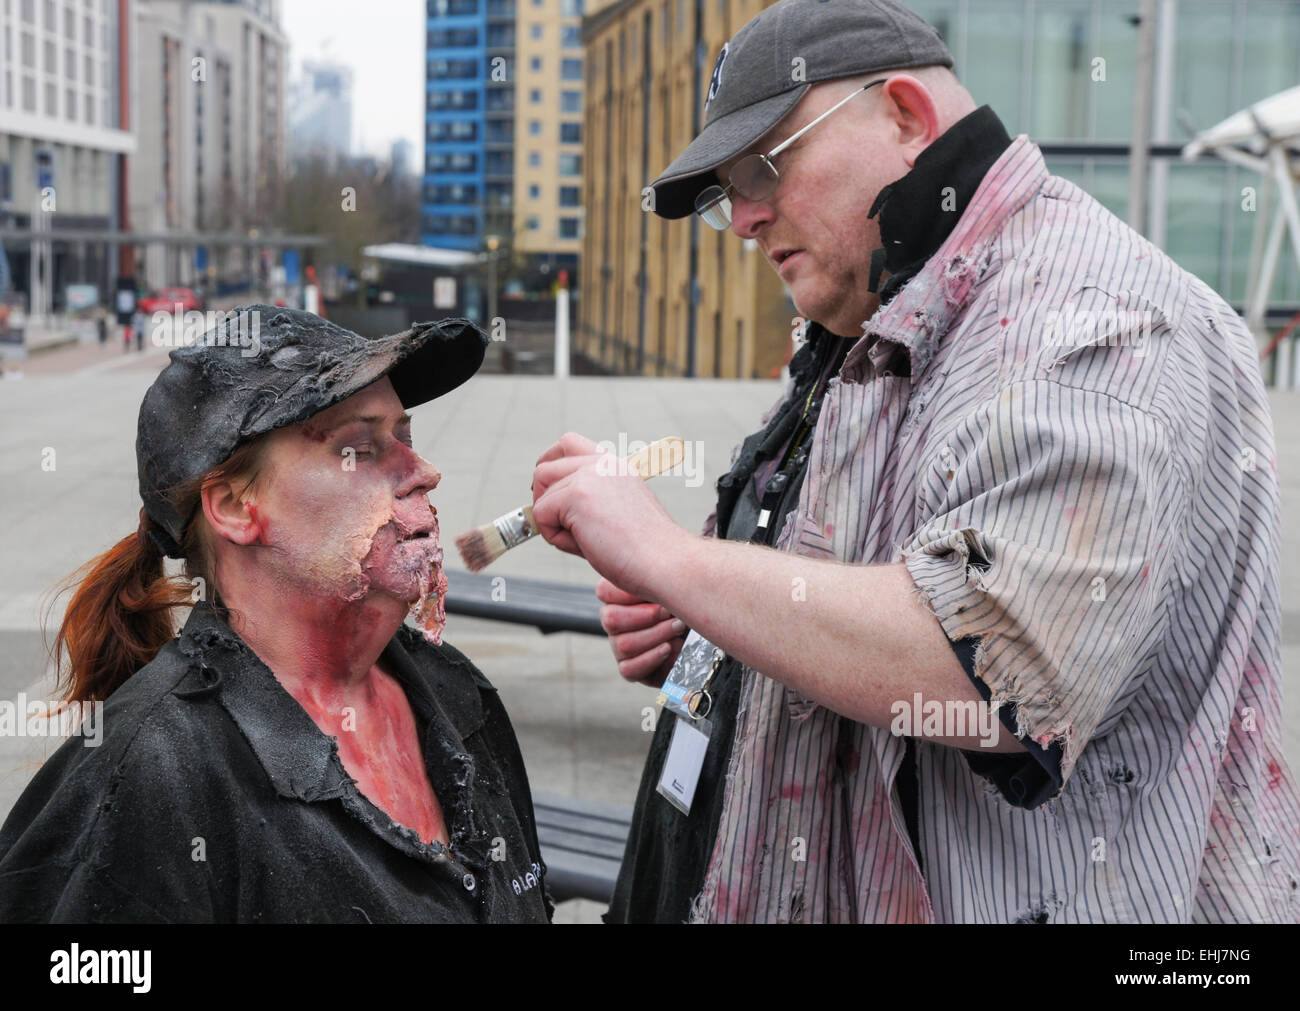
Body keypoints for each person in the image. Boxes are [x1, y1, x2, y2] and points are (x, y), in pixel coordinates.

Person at [528, 0, 1300, 922]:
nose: (742, 216)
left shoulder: (1099, 326)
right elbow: (846, 589)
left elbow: (986, 677)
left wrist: (672, 559)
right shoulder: (883, 306)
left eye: (766, 165)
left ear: (905, 116)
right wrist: (710, 621)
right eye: (723, 191)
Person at [0, 306, 552, 923]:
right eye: (360, 447)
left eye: (406, 436)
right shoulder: (156, 781)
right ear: (236, 507)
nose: (423, 472)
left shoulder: (458, 696)